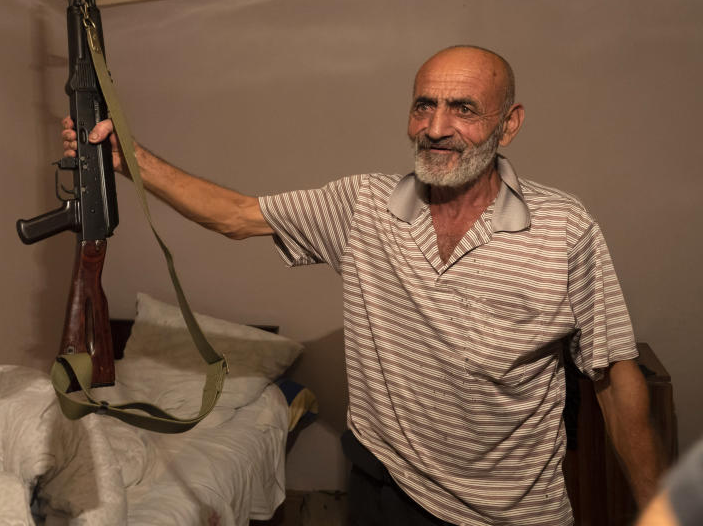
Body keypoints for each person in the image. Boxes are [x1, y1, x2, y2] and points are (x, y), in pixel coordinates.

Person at [62, 45, 662, 525]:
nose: (437, 127)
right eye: (424, 106)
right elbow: (236, 215)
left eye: (464, 109)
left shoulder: (564, 227)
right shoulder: (363, 206)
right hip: (384, 489)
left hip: (511, 509)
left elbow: (613, 373)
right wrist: (129, 159)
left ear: (510, 125)